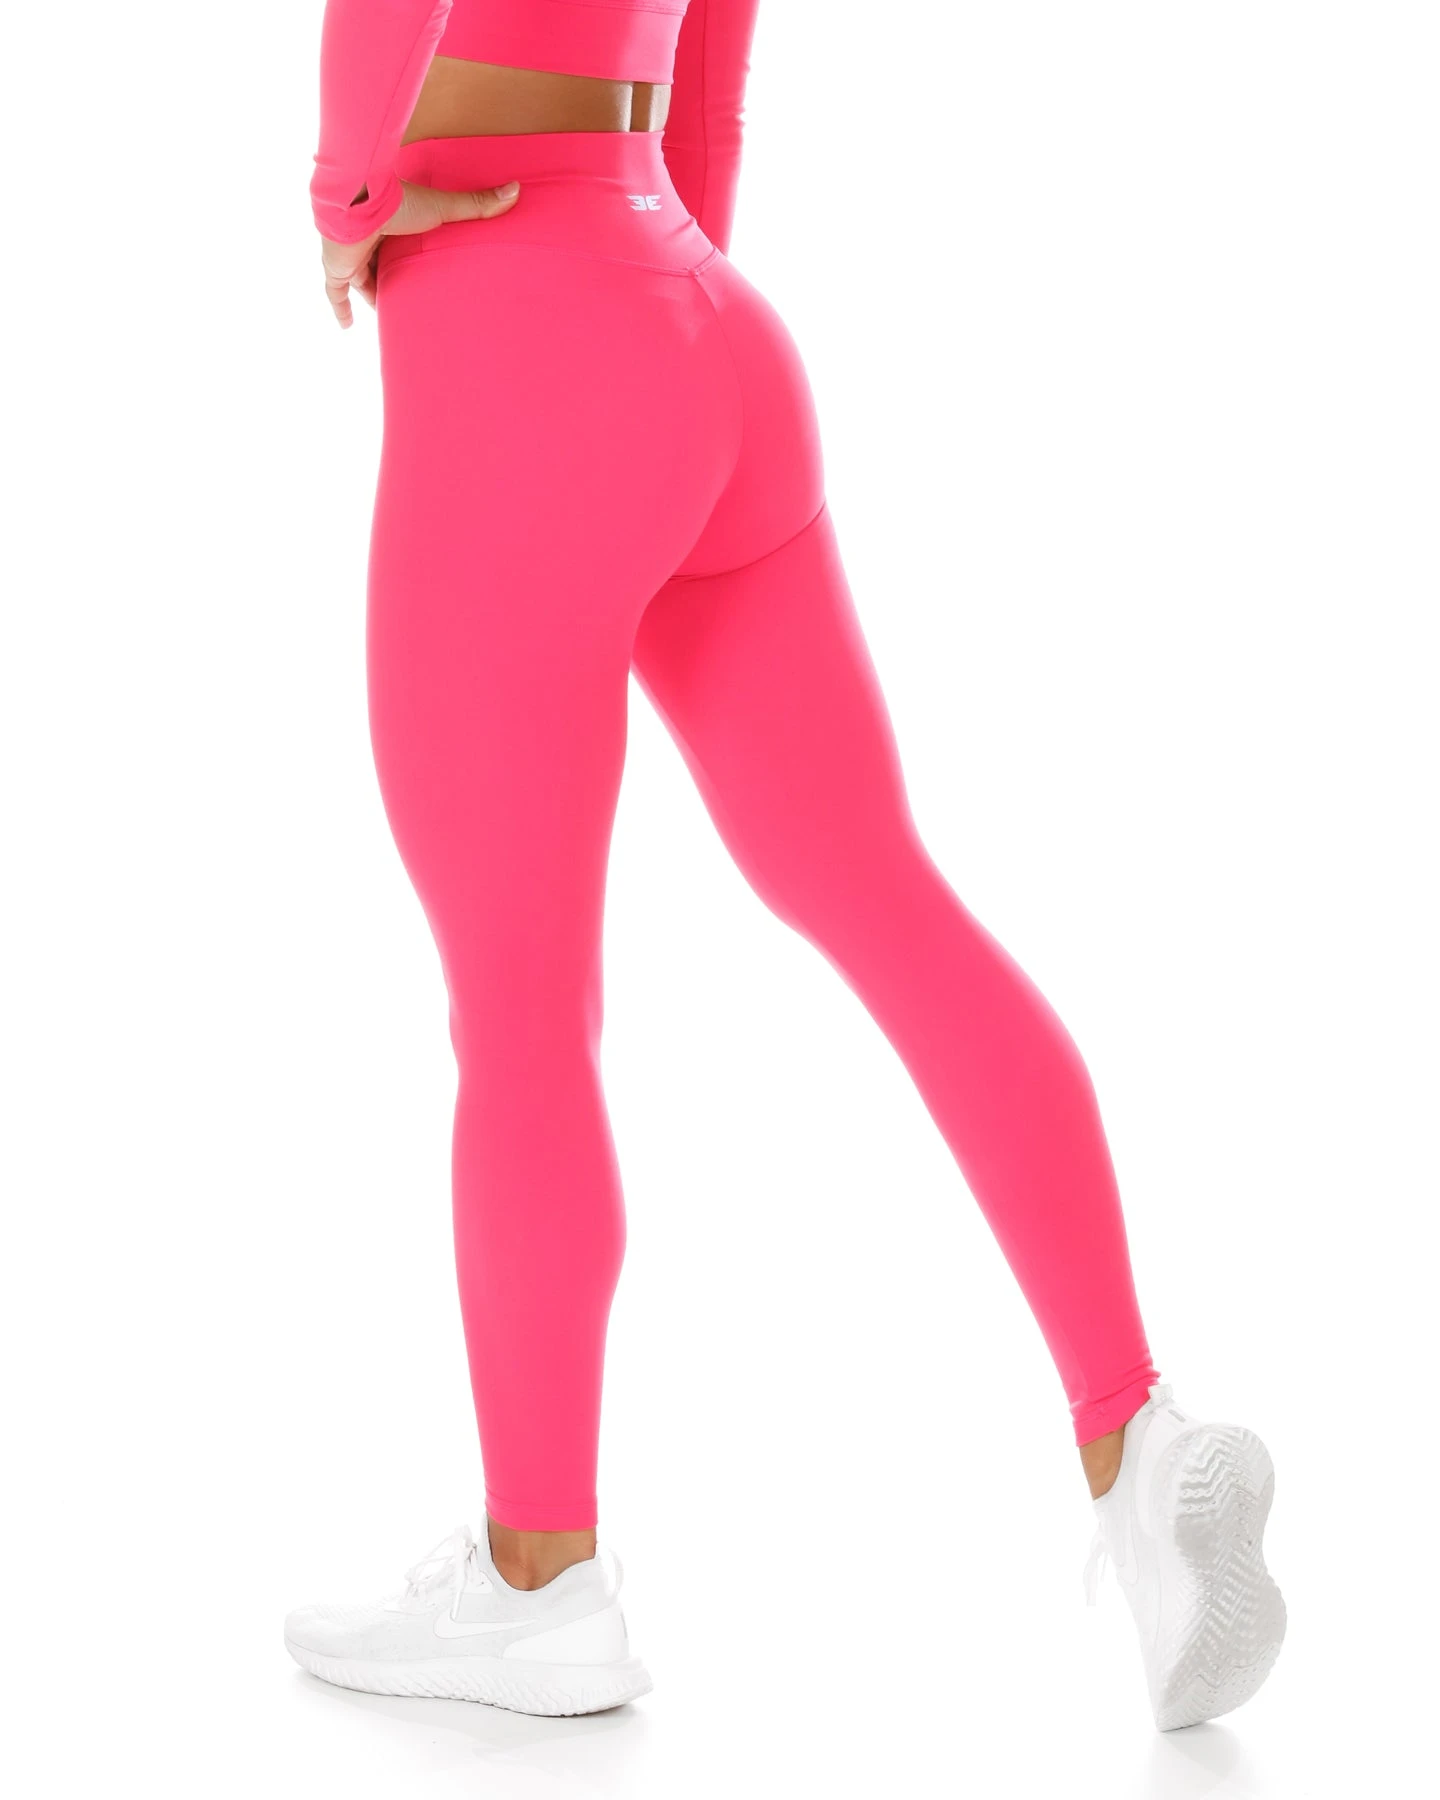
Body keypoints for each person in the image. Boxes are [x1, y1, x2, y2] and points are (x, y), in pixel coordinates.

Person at [283, 0, 1286, 1729]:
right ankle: (1137, 1440)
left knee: (521, 1010)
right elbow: (714, 71)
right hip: (705, 332)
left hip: (515, 343)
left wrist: (346, 196)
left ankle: (541, 1581)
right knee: (890, 899)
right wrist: (648, 325)